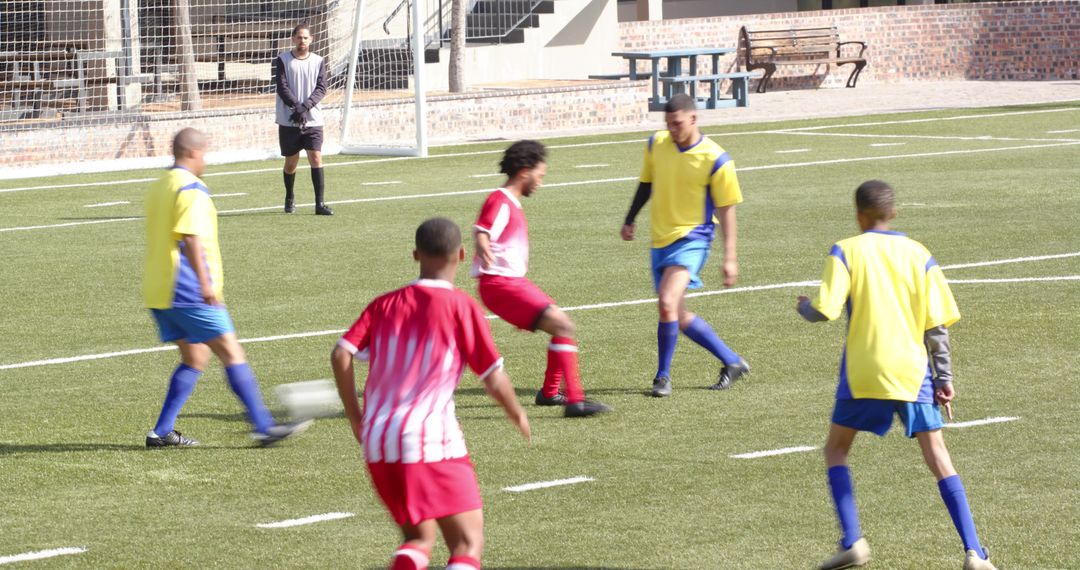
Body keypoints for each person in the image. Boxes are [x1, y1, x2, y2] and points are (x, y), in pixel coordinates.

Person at [796, 180, 997, 570]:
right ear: (894, 213)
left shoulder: (847, 250)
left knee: (836, 450)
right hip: (912, 371)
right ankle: (974, 552)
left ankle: (853, 540)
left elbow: (825, 309)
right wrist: (943, 379)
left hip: (864, 371)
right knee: (938, 455)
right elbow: (936, 326)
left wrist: (804, 307)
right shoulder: (918, 254)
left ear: (858, 215)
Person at [330, 217, 531, 570]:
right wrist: (517, 412)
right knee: (468, 542)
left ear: (415, 255)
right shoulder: (461, 306)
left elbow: (341, 352)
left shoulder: (385, 304)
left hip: (379, 441)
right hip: (430, 439)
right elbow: (493, 377)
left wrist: (355, 416)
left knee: (417, 539)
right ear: (462, 255)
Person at [142, 128, 310, 447]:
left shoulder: (160, 185)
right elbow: (189, 236)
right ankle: (263, 426)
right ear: (192, 152)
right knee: (232, 352)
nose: (205, 160)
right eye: (204, 153)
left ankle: (162, 432)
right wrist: (207, 285)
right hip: (188, 289)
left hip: (158, 290)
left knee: (195, 358)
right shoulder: (190, 187)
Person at [620, 93, 749, 398]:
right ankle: (732, 361)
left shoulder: (717, 159)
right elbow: (647, 183)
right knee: (676, 312)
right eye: (668, 124)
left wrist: (730, 257)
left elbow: (727, 211)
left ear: (694, 119)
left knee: (666, 301)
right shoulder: (656, 144)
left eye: (677, 124)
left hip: (693, 240)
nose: (672, 130)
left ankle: (662, 377)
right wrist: (630, 218)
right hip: (660, 240)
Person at [471, 140, 612, 418]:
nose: (541, 182)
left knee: (561, 325)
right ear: (524, 172)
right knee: (564, 325)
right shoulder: (500, 200)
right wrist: (482, 244)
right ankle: (575, 401)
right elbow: (482, 230)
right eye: (540, 175)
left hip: (512, 283)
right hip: (500, 284)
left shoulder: (510, 202)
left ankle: (549, 393)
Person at [272, 22, 332, 215]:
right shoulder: (282, 60)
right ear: (293, 39)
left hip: (312, 119)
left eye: (305, 37)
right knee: (291, 162)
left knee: (316, 157)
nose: (302, 41)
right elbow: (282, 87)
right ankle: (289, 197)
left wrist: (305, 107)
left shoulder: (318, 61)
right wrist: (296, 107)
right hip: (289, 119)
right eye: (299, 37)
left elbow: (321, 88)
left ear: (311, 39)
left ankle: (319, 204)